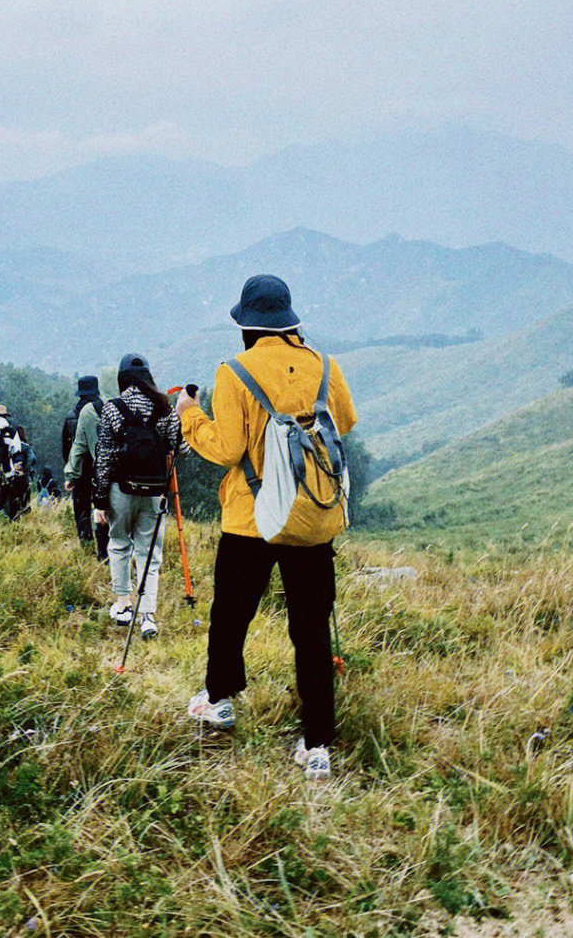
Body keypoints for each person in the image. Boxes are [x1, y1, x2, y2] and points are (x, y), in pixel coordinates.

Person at [175, 274, 358, 779]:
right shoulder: (325, 365)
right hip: (312, 518)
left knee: (232, 615)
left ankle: (220, 700)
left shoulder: (234, 374)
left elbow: (225, 449)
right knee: (311, 629)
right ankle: (316, 743)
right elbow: (346, 420)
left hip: (251, 520)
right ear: (289, 322)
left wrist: (190, 415)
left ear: (246, 326)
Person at [93, 353, 182, 640]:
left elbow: (104, 456)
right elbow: (179, 448)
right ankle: (148, 617)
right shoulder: (164, 407)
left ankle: (123, 606)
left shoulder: (112, 409)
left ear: (122, 379)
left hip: (122, 488)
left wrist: (99, 500)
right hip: (155, 491)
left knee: (119, 544)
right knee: (149, 553)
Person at [63, 373, 110, 559]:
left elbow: (69, 447)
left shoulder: (71, 417)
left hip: (81, 472)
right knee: (102, 509)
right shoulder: (107, 410)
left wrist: (71, 473)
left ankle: (86, 543)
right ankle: (103, 549)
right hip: (102, 471)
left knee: (81, 509)